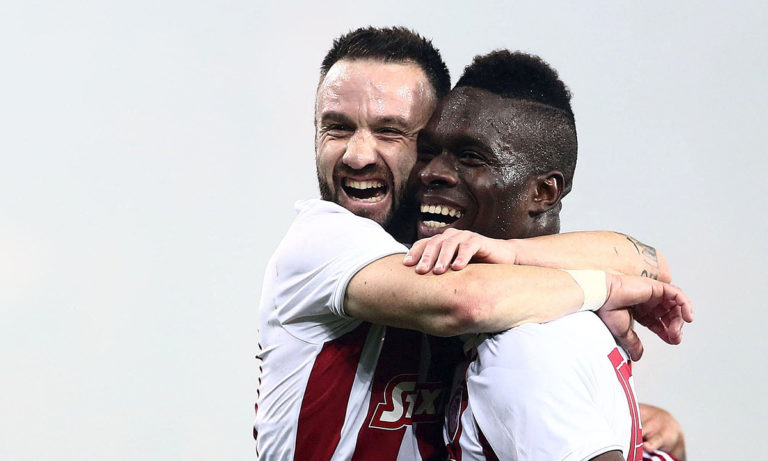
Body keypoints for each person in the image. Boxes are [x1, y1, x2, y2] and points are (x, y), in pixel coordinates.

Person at [254, 27, 691, 460]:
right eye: (336, 128)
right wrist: (606, 288)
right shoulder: (321, 239)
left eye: (390, 131)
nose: (357, 155)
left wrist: (632, 431)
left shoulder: (501, 301)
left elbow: (650, 265)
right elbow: (468, 302)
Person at [404, 50, 688, 460]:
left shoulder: (522, 349)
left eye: (470, 157)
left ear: (543, 192)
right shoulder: (552, 314)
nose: (432, 172)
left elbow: (656, 265)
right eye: (429, 151)